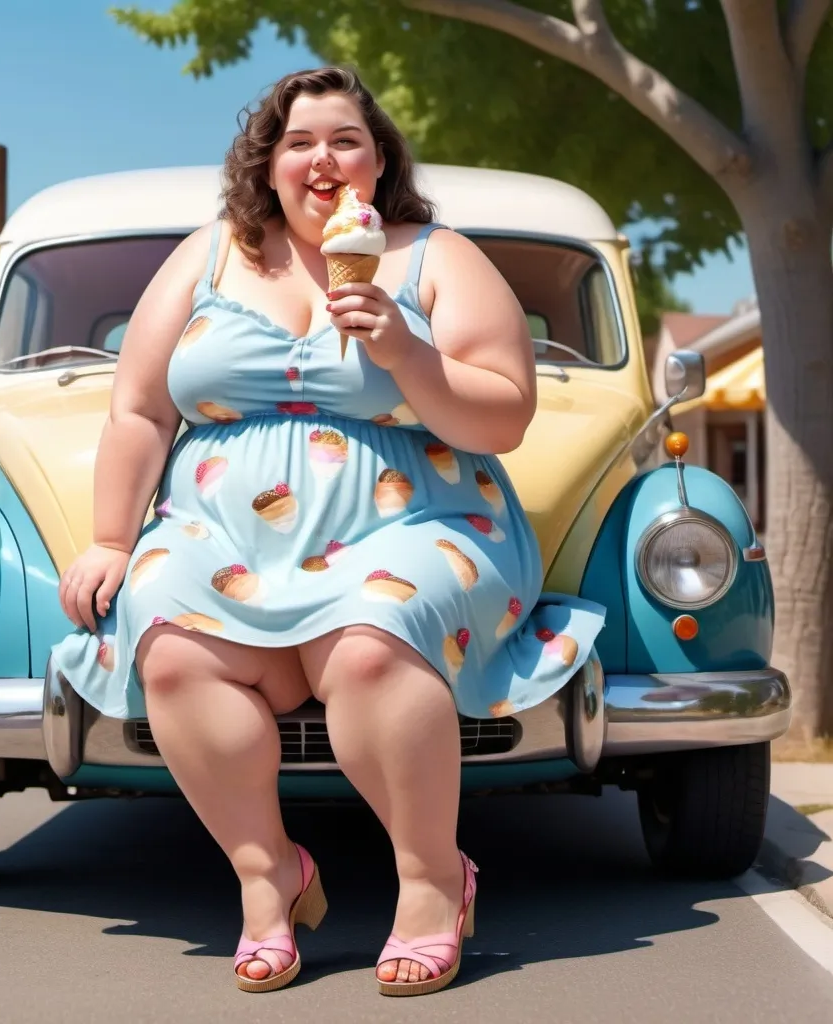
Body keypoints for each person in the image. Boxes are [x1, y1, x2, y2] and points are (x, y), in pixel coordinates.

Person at [54, 66, 605, 997]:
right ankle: (269, 878)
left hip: (417, 516)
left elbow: (505, 414)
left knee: (369, 650)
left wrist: (401, 346)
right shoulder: (209, 254)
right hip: (221, 533)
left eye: (345, 139)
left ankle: (433, 883)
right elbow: (141, 410)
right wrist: (112, 538)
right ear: (267, 166)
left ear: (378, 159)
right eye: (299, 142)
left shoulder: (435, 255)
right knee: (169, 639)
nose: (322, 159)